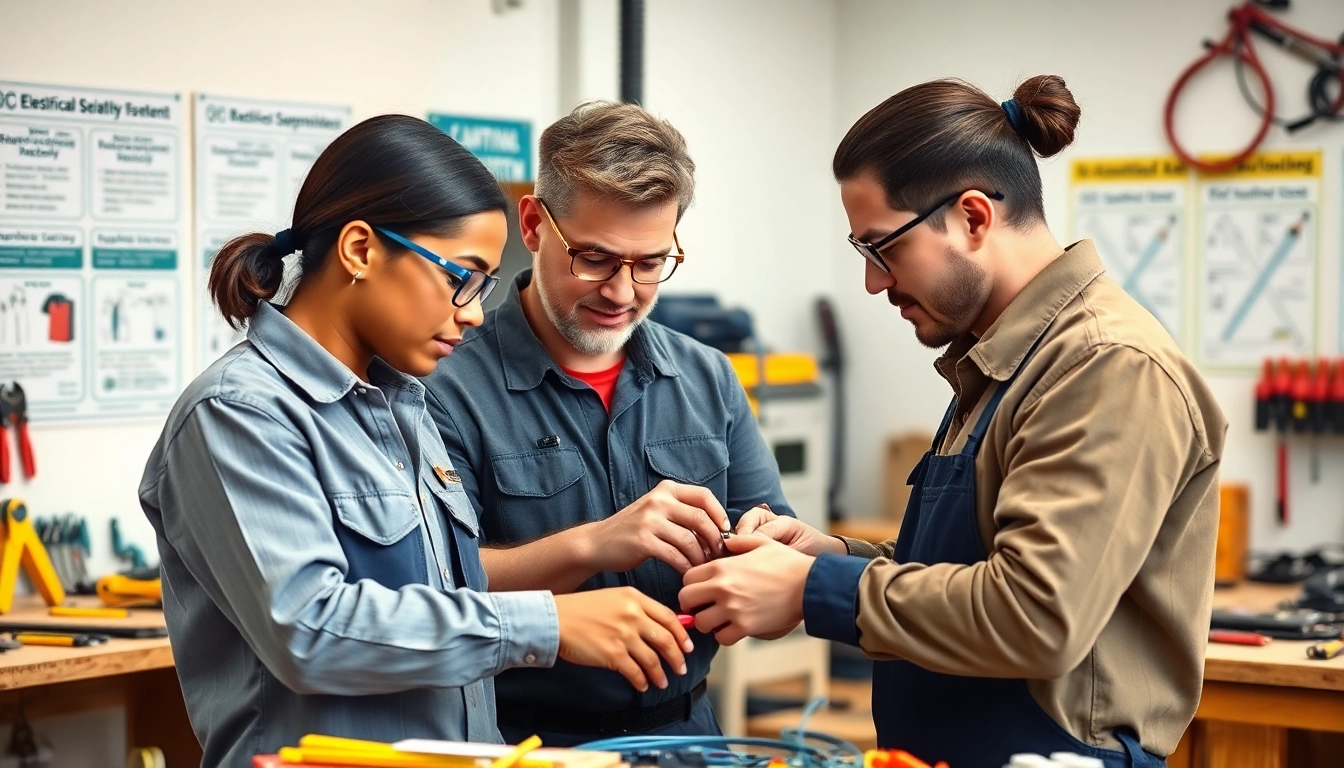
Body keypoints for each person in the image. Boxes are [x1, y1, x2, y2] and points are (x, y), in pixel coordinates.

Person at [677, 76, 1227, 768]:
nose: (875, 282)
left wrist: (809, 590)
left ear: (972, 217)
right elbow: (965, 571)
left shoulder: (1104, 365)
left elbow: (1036, 614)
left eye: (883, 248)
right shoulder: (1004, 361)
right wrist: (830, 558)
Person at [139, 115, 693, 768]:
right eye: (462, 276)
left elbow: (444, 605)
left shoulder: (405, 405)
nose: (474, 312)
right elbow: (307, 629)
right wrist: (549, 623)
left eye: (485, 285)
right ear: (360, 250)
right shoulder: (239, 413)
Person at [423, 101, 793, 746]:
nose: (621, 293)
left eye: (649, 263)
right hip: (523, 745)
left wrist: (765, 572)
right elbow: (430, 588)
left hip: (691, 741)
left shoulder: (708, 376)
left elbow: (777, 564)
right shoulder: (441, 386)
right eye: (593, 258)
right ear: (533, 225)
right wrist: (592, 545)